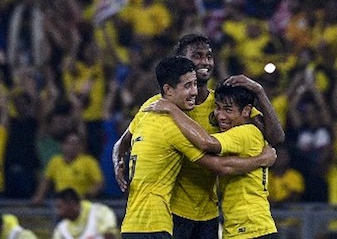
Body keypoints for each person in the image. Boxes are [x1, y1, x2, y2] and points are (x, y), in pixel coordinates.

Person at [113, 34, 284, 239]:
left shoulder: (223, 104)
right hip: (174, 212)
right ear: (183, 64)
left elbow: (275, 137)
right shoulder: (161, 106)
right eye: (197, 56)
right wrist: (118, 163)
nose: (205, 61)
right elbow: (122, 143)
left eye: (209, 56)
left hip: (209, 213)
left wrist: (259, 91)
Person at [145, 83, 278, 239]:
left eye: (228, 110)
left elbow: (208, 143)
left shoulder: (245, 132)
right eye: (218, 108)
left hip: (249, 229)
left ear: (247, 111)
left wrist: (172, 110)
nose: (220, 116)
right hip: (249, 228)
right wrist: (261, 159)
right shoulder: (251, 135)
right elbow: (226, 167)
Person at [51, 187, 118, 239]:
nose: (57, 211)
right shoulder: (61, 229)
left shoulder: (100, 212)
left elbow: (110, 235)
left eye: (59, 207)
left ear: (72, 204)